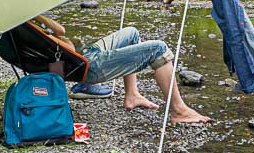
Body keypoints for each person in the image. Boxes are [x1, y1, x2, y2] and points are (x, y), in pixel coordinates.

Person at [30, 14, 211, 124]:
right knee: (159, 48)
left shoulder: (24, 25)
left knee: (131, 32)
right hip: (86, 64)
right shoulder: (28, 31)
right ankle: (178, 110)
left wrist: (36, 15)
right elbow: (66, 49)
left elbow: (60, 30)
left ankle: (132, 95)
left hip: (84, 54)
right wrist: (60, 39)